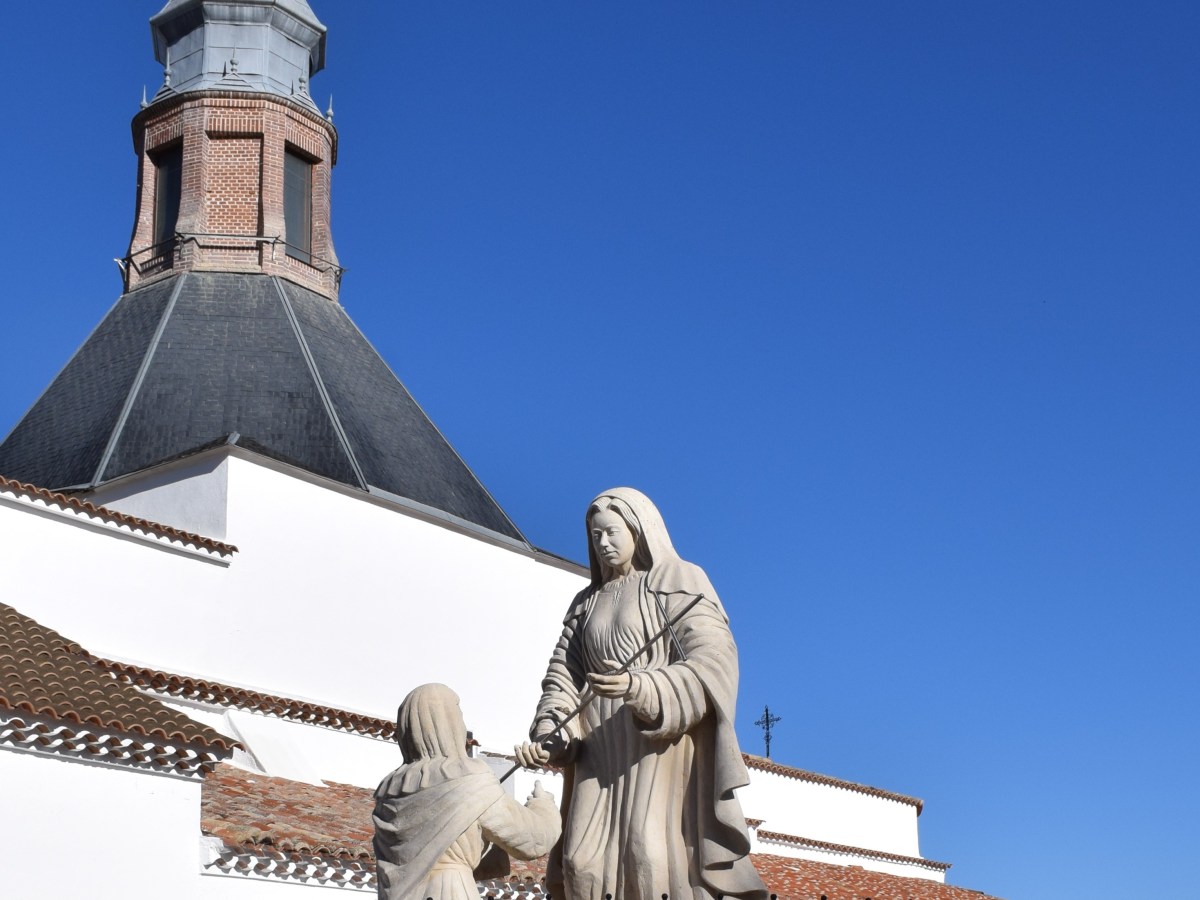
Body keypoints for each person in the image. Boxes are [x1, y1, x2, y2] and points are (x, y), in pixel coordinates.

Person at [515, 487, 768, 900]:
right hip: (598, 750)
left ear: (638, 530)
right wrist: (552, 734)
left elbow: (715, 660)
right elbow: (562, 677)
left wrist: (641, 686)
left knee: (649, 855)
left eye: (612, 532)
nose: (603, 543)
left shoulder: (677, 580)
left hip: (656, 742)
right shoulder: (585, 603)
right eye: (595, 536)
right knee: (582, 863)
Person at [374, 683, 560, 900]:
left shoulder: (389, 790)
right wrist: (543, 804)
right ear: (451, 723)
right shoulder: (469, 776)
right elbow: (532, 841)